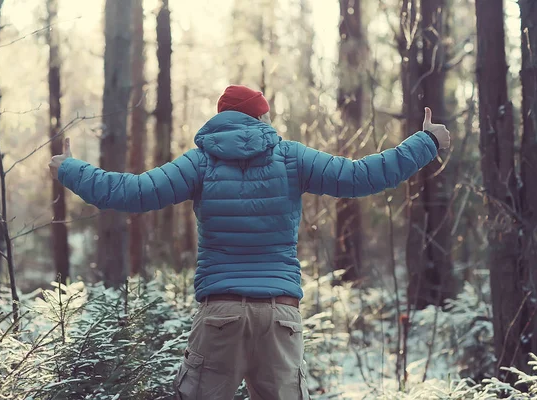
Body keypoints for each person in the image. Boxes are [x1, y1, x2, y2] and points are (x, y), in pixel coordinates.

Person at [49, 85, 450, 400]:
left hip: (220, 312)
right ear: (261, 117)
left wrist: (70, 169)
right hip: (279, 316)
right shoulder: (291, 157)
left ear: (221, 117)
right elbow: (363, 175)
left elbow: (131, 192)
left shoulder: (199, 162)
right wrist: (425, 142)